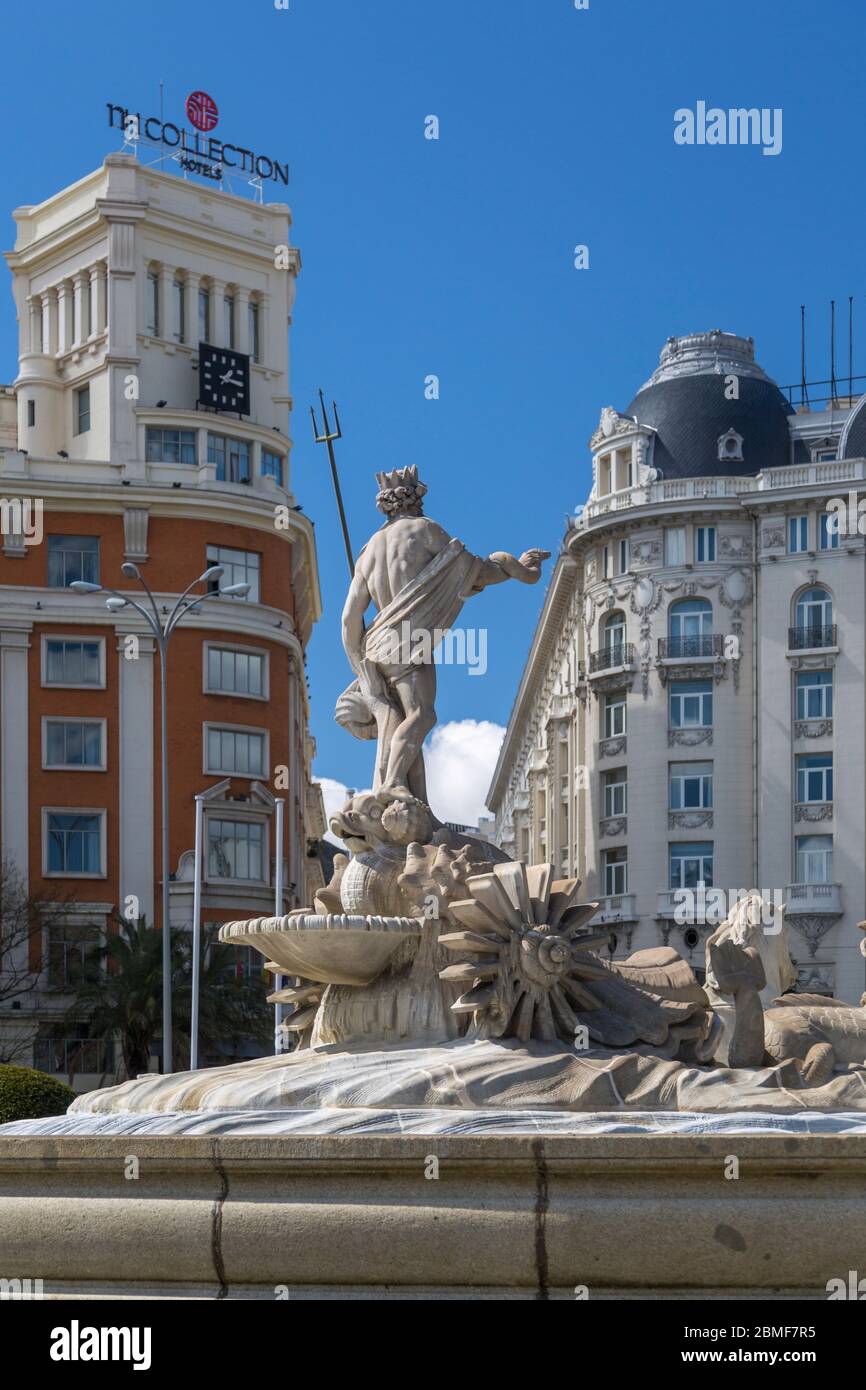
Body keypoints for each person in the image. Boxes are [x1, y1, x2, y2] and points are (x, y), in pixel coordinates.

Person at [337, 464, 549, 803]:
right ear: (414, 500)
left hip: (376, 646)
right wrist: (521, 569)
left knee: (404, 720)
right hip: (408, 642)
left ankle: (411, 799)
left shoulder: (368, 551)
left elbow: (349, 618)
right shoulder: (425, 530)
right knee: (422, 714)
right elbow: (476, 571)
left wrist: (361, 671)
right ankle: (391, 784)